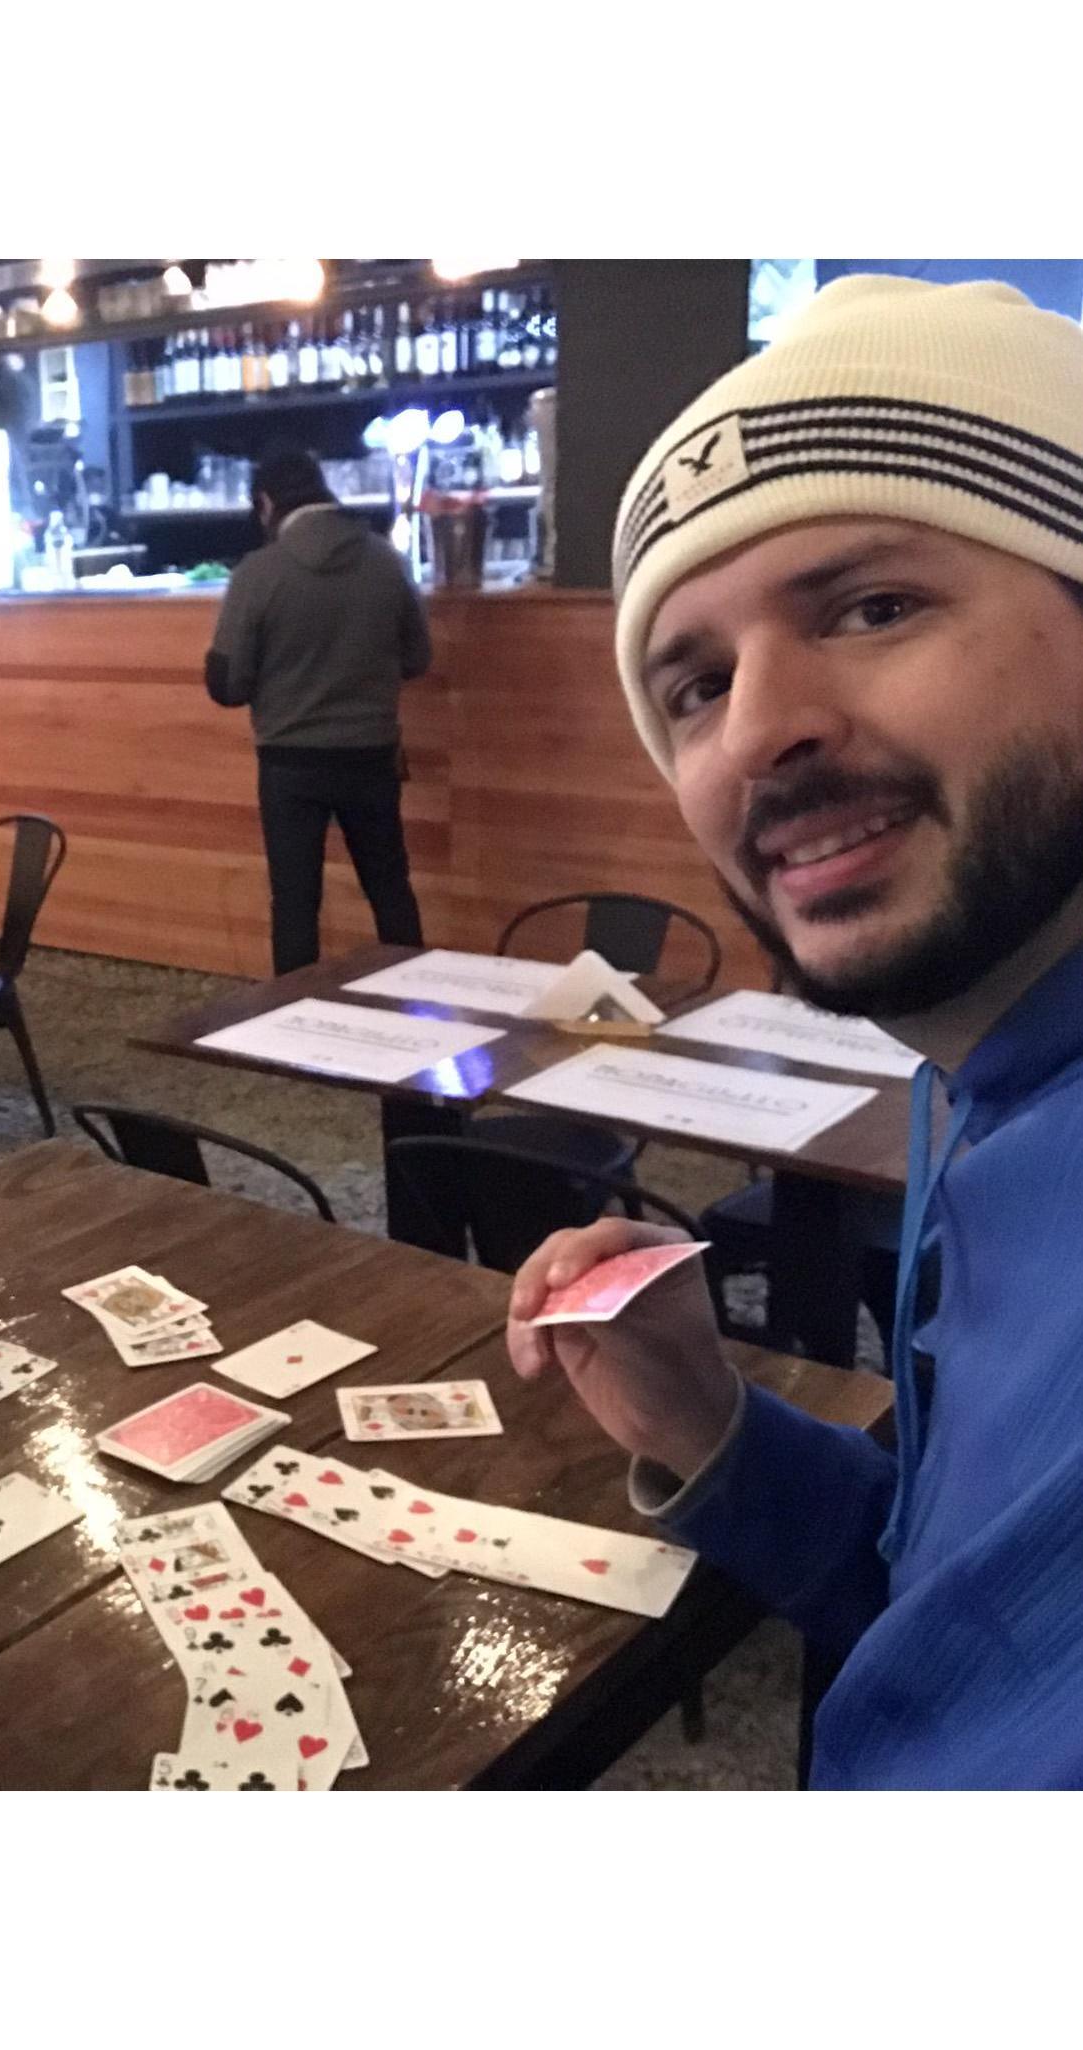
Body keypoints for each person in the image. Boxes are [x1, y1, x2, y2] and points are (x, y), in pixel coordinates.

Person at [504, 275, 1083, 1788]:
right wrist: (710, 1423)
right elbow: (947, 1623)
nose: (757, 728)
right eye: (692, 685)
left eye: (872, 604)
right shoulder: (968, 1072)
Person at [204, 445, 432, 975]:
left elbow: (228, 687)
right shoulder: (386, 561)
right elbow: (418, 659)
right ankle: (419, 1005)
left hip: (290, 764)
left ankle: (294, 1020)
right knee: (391, 891)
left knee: (295, 902)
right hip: (372, 755)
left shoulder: (257, 575)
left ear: (265, 503)